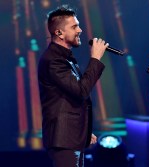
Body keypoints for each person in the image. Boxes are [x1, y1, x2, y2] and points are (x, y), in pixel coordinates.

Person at [38, 5, 109, 167]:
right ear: (59, 33)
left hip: (71, 137)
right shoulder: (54, 60)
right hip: (63, 139)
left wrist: (82, 130)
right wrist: (95, 59)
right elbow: (80, 90)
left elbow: (70, 99)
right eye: (74, 26)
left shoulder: (65, 58)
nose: (80, 30)